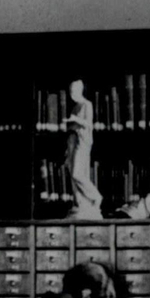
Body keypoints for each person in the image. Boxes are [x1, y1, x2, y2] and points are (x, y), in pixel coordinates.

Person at [65, 77, 103, 219]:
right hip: (73, 143)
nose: (71, 93)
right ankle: (80, 203)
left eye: (73, 90)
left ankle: (96, 196)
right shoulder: (75, 107)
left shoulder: (87, 104)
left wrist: (75, 120)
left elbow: (88, 124)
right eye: (70, 91)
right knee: (72, 173)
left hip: (83, 142)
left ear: (79, 90)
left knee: (78, 173)